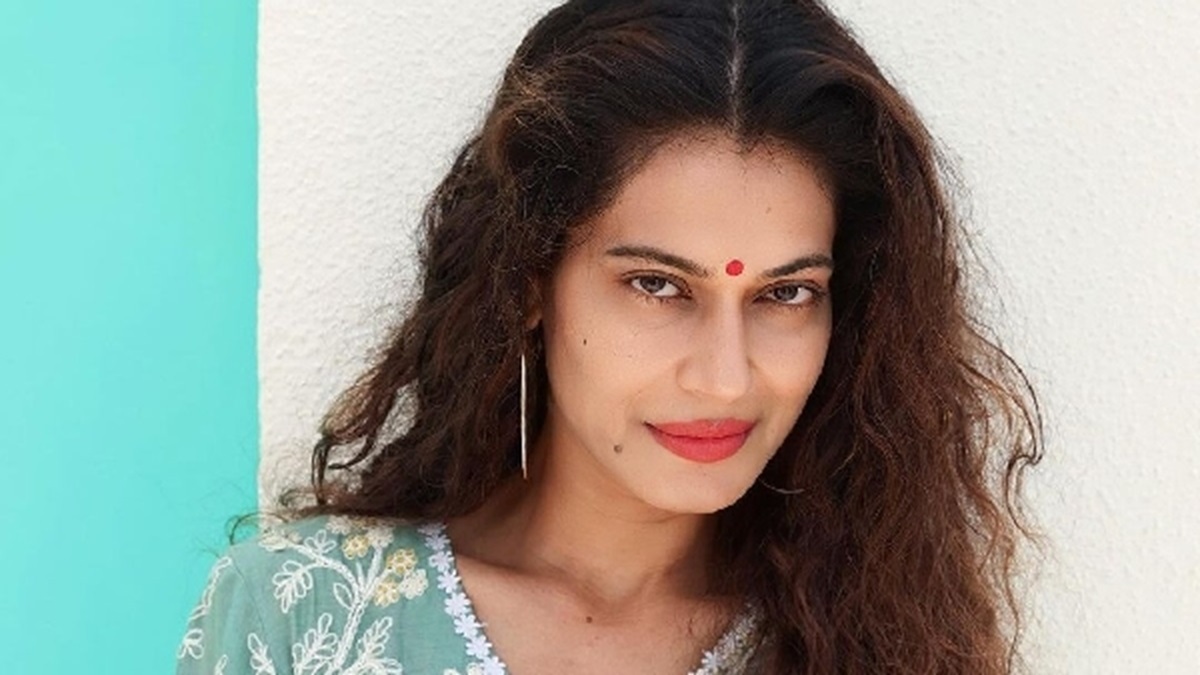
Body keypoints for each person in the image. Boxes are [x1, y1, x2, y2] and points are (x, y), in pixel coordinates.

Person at [177, 0, 1043, 673]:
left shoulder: (885, 646)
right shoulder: (304, 612)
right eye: (658, 285)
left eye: (786, 293)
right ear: (527, 280)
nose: (724, 377)